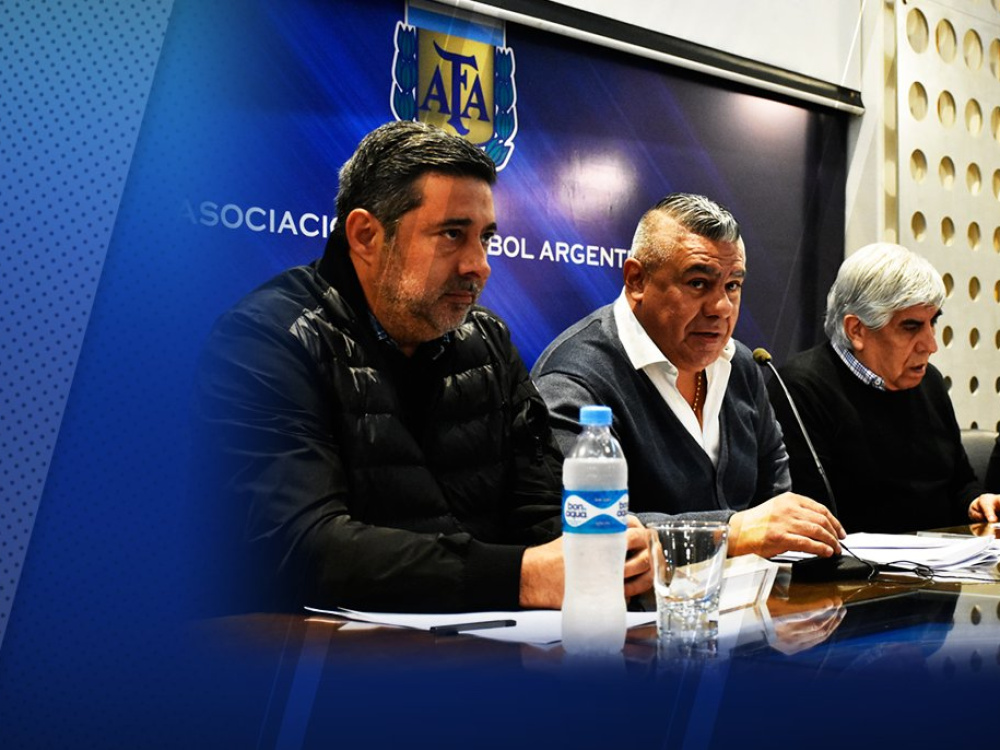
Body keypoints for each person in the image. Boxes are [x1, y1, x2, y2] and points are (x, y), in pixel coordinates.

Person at [193, 121, 651, 614]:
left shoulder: (489, 341)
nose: (479, 265)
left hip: (491, 645)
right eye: (452, 234)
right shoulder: (269, 340)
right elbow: (300, 544)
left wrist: (603, 551)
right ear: (366, 235)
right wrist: (519, 577)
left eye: (485, 238)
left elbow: (537, 509)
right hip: (316, 654)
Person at [531, 193, 845, 559]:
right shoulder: (574, 377)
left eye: (732, 285)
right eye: (698, 283)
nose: (721, 307)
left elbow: (775, 503)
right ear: (636, 280)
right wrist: (728, 534)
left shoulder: (741, 366)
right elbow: (580, 529)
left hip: (755, 593)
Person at [768, 242, 1000, 532]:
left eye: (933, 322)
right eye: (911, 327)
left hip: (942, 556)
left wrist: (975, 502)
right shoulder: (801, 389)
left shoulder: (929, 382)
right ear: (857, 330)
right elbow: (808, 516)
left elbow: (959, 482)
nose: (931, 345)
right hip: (854, 560)